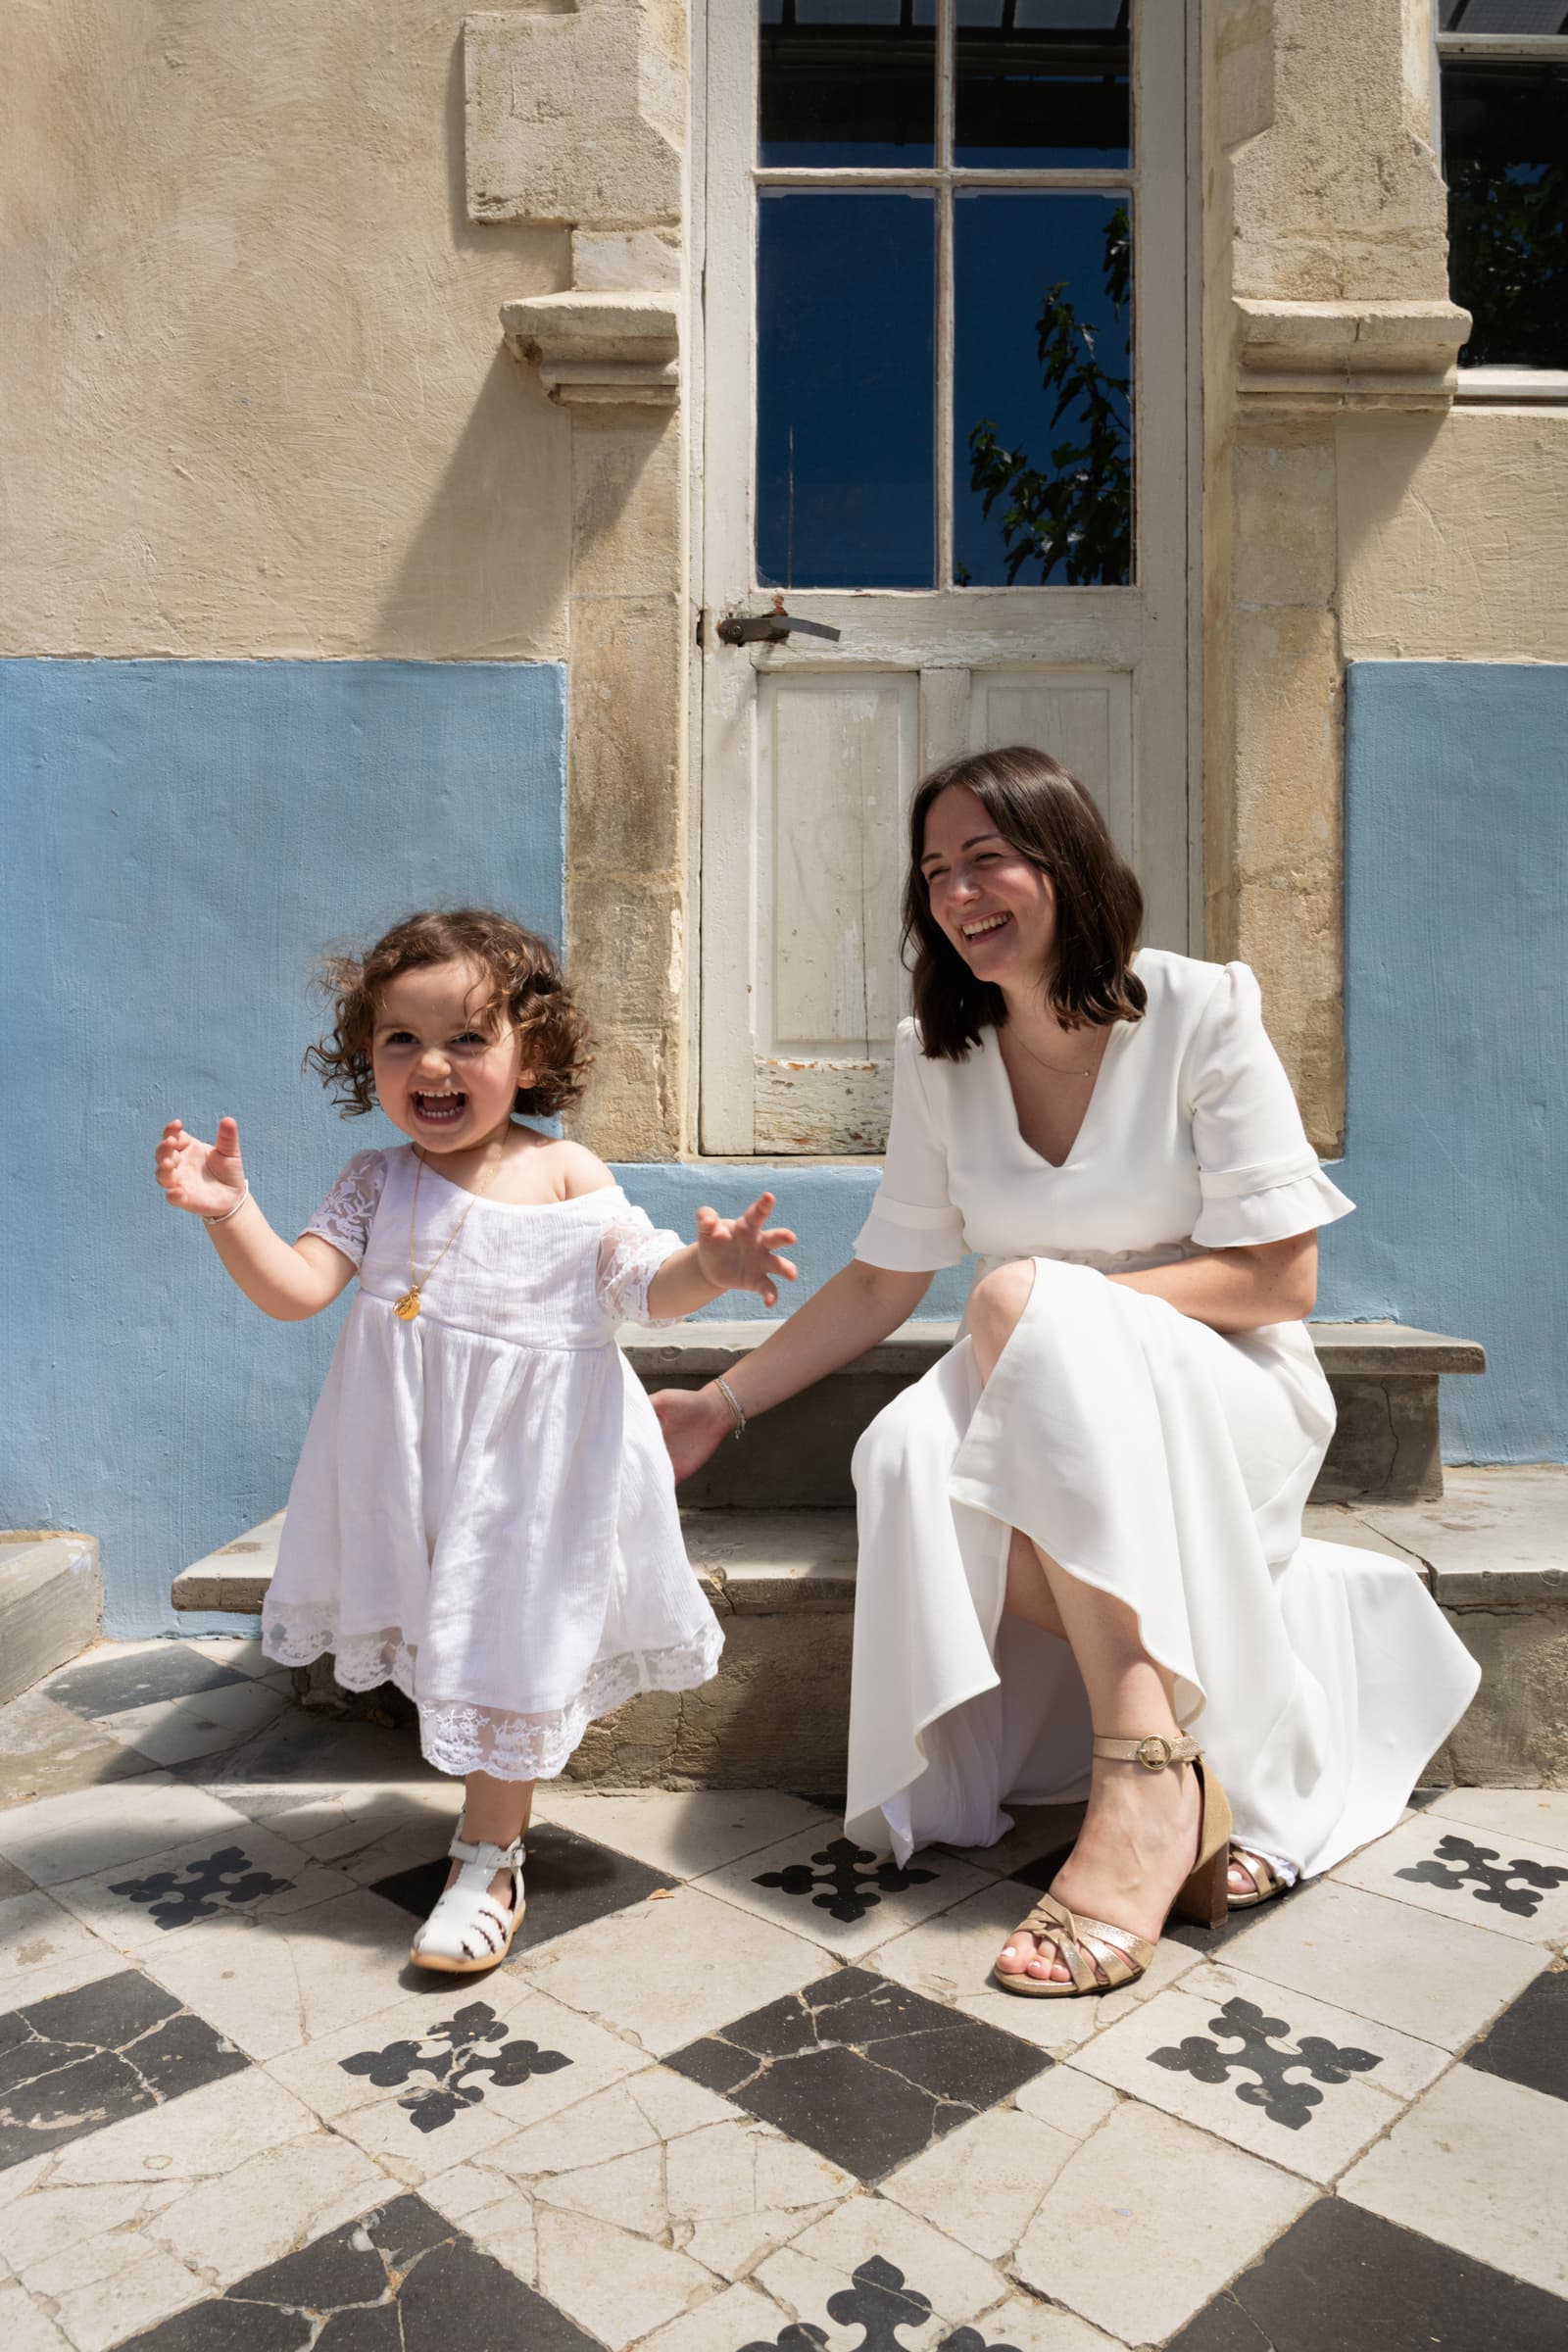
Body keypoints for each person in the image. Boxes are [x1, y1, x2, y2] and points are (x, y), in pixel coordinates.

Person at [655, 748, 1479, 2000]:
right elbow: (883, 1280)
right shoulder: (937, 1053)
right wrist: (721, 1403)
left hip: (1222, 1377)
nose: (957, 892)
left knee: (1010, 1295)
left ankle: (1142, 1773)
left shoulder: (1201, 1007)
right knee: (907, 1454)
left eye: (986, 857)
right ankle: (1192, 1745)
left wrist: (1054, 1315)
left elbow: (1278, 1280)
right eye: (935, 871)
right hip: (1035, 1371)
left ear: (1065, 860)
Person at [155, 907, 795, 1976]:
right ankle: (481, 1835)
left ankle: (488, 1855)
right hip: (411, 1466)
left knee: (504, 1644)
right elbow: (295, 1290)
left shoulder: (566, 1174)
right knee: (448, 1637)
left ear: (529, 1053)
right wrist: (232, 1213)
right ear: (367, 1057)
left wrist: (709, 1269)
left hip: (534, 1478)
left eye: (467, 1038)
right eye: (401, 1040)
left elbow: (640, 1285)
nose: (432, 1064)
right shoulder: (374, 1181)